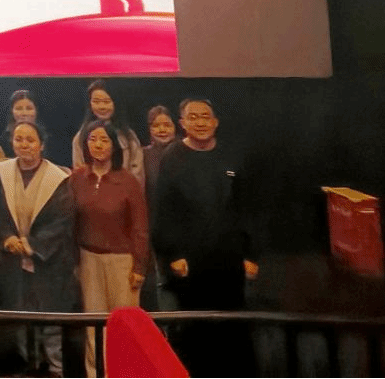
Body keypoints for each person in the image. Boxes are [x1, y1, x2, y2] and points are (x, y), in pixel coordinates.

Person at [153, 98, 259, 377]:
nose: (200, 122)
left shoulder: (230, 156)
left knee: (234, 336)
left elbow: (245, 208)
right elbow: (163, 212)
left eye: (205, 117)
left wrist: (250, 254)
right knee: (195, 338)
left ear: (215, 122)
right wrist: (173, 254)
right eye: (193, 117)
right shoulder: (171, 158)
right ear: (182, 123)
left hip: (230, 265)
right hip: (191, 268)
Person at [0, 121, 75, 377]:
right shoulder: (2, 173)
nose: (24, 145)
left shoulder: (58, 178)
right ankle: (29, 367)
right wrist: (7, 238)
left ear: (41, 144)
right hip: (13, 261)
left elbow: (62, 221)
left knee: (50, 320)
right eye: (18, 139)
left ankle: (55, 368)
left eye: (30, 140)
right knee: (21, 318)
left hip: (48, 261)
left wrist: (31, 245)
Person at [69, 120, 148, 378]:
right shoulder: (77, 178)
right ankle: (95, 374)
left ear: (114, 146)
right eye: (93, 140)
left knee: (125, 325)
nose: (98, 145)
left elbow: (140, 227)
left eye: (104, 140)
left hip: (122, 262)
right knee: (93, 326)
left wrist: (139, 266)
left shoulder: (128, 181)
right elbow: (70, 222)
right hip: (88, 259)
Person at [69, 80, 144, 185]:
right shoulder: (81, 138)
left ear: (116, 102)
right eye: (96, 102)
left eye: (107, 101)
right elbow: (78, 177)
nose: (101, 107)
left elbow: (137, 177)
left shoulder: (129, 137)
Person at [140, 105, 178, 311]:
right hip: (154, 232)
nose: (162, 129)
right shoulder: (142, 156)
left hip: (185, 232)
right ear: (149, 129)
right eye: (156, 125)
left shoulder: (185, 151)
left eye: (167, 124)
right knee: (159, 286)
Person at [1, 90, 40, 156]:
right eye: (19, 109)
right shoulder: (4, 139)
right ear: (12, 111)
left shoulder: (47, 138)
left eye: (29, 108)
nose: (24, 113)